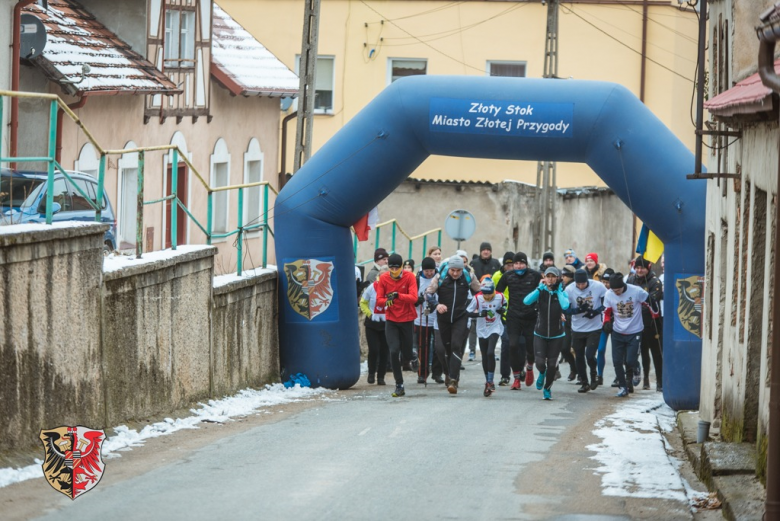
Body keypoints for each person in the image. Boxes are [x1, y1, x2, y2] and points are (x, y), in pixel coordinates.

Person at [427, 256, 478, 394]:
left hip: (460, 317)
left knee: (456, 345)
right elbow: (429, 294)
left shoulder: (469, 277)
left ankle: (454, 380)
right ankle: (448, 373)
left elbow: (478, 292)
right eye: (452, 270)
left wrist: (474, 306)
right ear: (448, 269)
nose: (455, 273)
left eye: (458, 271)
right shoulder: (440, 277)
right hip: (443, 317)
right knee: (444, 349)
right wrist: (437, 305)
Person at [495, 252, 542, 390]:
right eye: (516, 264)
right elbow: (498, 293)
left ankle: (529, 367)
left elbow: (544, 290)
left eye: (521, 263)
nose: (518, 266)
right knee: (512, 345)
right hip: (513, 316)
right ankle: (516, 378)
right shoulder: (507, 276)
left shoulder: (535, 275)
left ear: (526, 264)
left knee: (530, 347)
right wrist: (498, 307)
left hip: (531, 316)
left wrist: (540, 308)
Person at [522, 267, 570, 400]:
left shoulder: (561, 293)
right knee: (540, 363)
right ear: (544, 277)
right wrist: (539, 289)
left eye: (553, 276)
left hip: (557, 335)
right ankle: (541, 373)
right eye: (548, 276)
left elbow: (565, 306)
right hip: (540, 333)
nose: (550, 279)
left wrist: (559, 290)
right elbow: (526, 301)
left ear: (558, 278)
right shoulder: (541, 291)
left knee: (552, 365)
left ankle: (547, 389)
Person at [375, 253, 419, 397]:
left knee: (405, 353)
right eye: (391, 268)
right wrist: (387, 301)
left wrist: (398, 295)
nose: (394, 271)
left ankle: (412, 356)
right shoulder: (384, 278)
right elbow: (379, 300)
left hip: (406, 318)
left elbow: (414, 298)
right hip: (392, 319)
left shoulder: (410, 277)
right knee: (394, 351)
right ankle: (399, 384)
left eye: (397, 268)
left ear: (401, 267)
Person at [603, 272, 650, 397]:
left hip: (635, 330)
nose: (616, 293)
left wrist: (655, 316)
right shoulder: (609, 294)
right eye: (614, 290)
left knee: (630, 360)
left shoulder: (636, 291)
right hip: (617, 331)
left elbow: (650, 301)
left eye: (618, 290)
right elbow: (606, 312)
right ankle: (623, 386)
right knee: (617, 361)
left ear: (623, 286)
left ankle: (635, 368)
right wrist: (606, 322)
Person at [565, 268, 607, 393]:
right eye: (578, 284)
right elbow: (565, 309)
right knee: (579, 356)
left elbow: (608, 302)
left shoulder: (598, 286)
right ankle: (584, 382)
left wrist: (596, 311)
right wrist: (578, 310)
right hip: (577, 328)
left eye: (583, 284)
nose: (581, 286)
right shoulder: (569, 289)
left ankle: (594, 375)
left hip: (594, 327)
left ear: (587, 281)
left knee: (589, 355)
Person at [627, 255, 664, 391]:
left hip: (652, 323)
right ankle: (644, 379)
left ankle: (660, 382)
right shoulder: (631, 280)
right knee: (639, 352)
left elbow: (652, 300)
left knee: (656, 353)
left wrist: (639, 303)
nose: (639, 270)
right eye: (637, 267)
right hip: (636, 322)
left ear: (647, 268)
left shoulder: (655, 282)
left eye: (642, 267)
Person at [467, 278, 506, 397]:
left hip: (495, 328)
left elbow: (506, 305)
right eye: (485, 293)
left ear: (494, 291)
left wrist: (502, 310)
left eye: (490, 293)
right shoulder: (477, 298)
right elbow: (468, 312)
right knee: (485, 355)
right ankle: (488, 381)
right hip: (482, 329)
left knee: (490, 353)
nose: (488, 296)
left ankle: (491, 380)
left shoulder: (500, 296)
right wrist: (479, 314)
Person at [359, 266, 390, 385]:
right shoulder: (372, 288)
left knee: (384, 351)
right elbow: (363, 302)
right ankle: (371, 373)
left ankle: (381, 376)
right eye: (381, 276)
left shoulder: (392, 288)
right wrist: (369, 314)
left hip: (387, 323)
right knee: (374, 350)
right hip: (372, 323)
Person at [414, 257, 440, 384]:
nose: (429, 273)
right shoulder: (417, 280)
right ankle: (422, 373)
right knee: (422, 347)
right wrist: (416, 300)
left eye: (431, 270)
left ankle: (437, 373)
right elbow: (411, 297)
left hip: (437, 318)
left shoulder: (440, 278)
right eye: (427, 271)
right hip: (421, 318)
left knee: (438, 347)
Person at [492, 252, 515, 386]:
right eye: (508, 265)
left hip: (518, 314)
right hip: (503, 315)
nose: (510, 267)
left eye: (513, 265)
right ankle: (505, 375)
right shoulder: (497, 276)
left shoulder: (520, 276)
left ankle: (519, 369)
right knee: (506, 344)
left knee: (518, 345)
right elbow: (493, 294)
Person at [596, 268, 615, 386]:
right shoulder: (599, 291)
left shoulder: (616, 291)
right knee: (601, 349)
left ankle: (619, 376)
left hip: (617, 324)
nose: (605, 284)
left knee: (617, 352)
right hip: (602, 323)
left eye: (608, 282)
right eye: (603, 281)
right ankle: (599, 375)